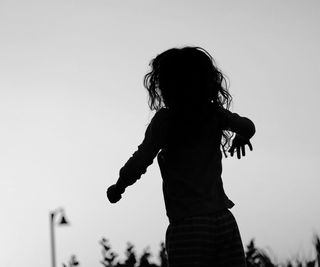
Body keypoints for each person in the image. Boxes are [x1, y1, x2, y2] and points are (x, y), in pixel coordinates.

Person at [107, 46, 256, 267]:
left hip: (188, 226)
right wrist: (242, 137)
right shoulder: (213, 113)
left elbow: (141, 159)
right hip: (223, 220)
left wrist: (119, 186)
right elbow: (248, 126)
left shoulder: (166, 121)